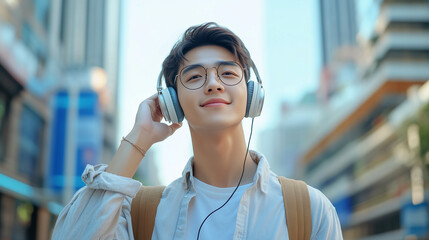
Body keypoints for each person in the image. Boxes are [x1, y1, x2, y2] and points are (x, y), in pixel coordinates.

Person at [52, 22, 343, 240]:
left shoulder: (309, 209)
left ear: (252, 93)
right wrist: (138, 139)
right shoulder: (144, 213)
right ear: (172, 102)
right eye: (194, 77)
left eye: (228, 73)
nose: (213, 84)